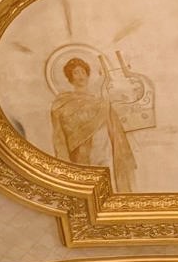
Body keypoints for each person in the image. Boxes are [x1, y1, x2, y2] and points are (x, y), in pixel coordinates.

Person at [50, 54, 137, 190]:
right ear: (70, 77)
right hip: (80, 151)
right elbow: (61, 132)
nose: (80, 76)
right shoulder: (62, 102)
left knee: (106, 180)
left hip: (103, 147)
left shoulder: (101, 102)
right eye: (76, 72)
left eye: (83, 72)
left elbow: (113, 129)